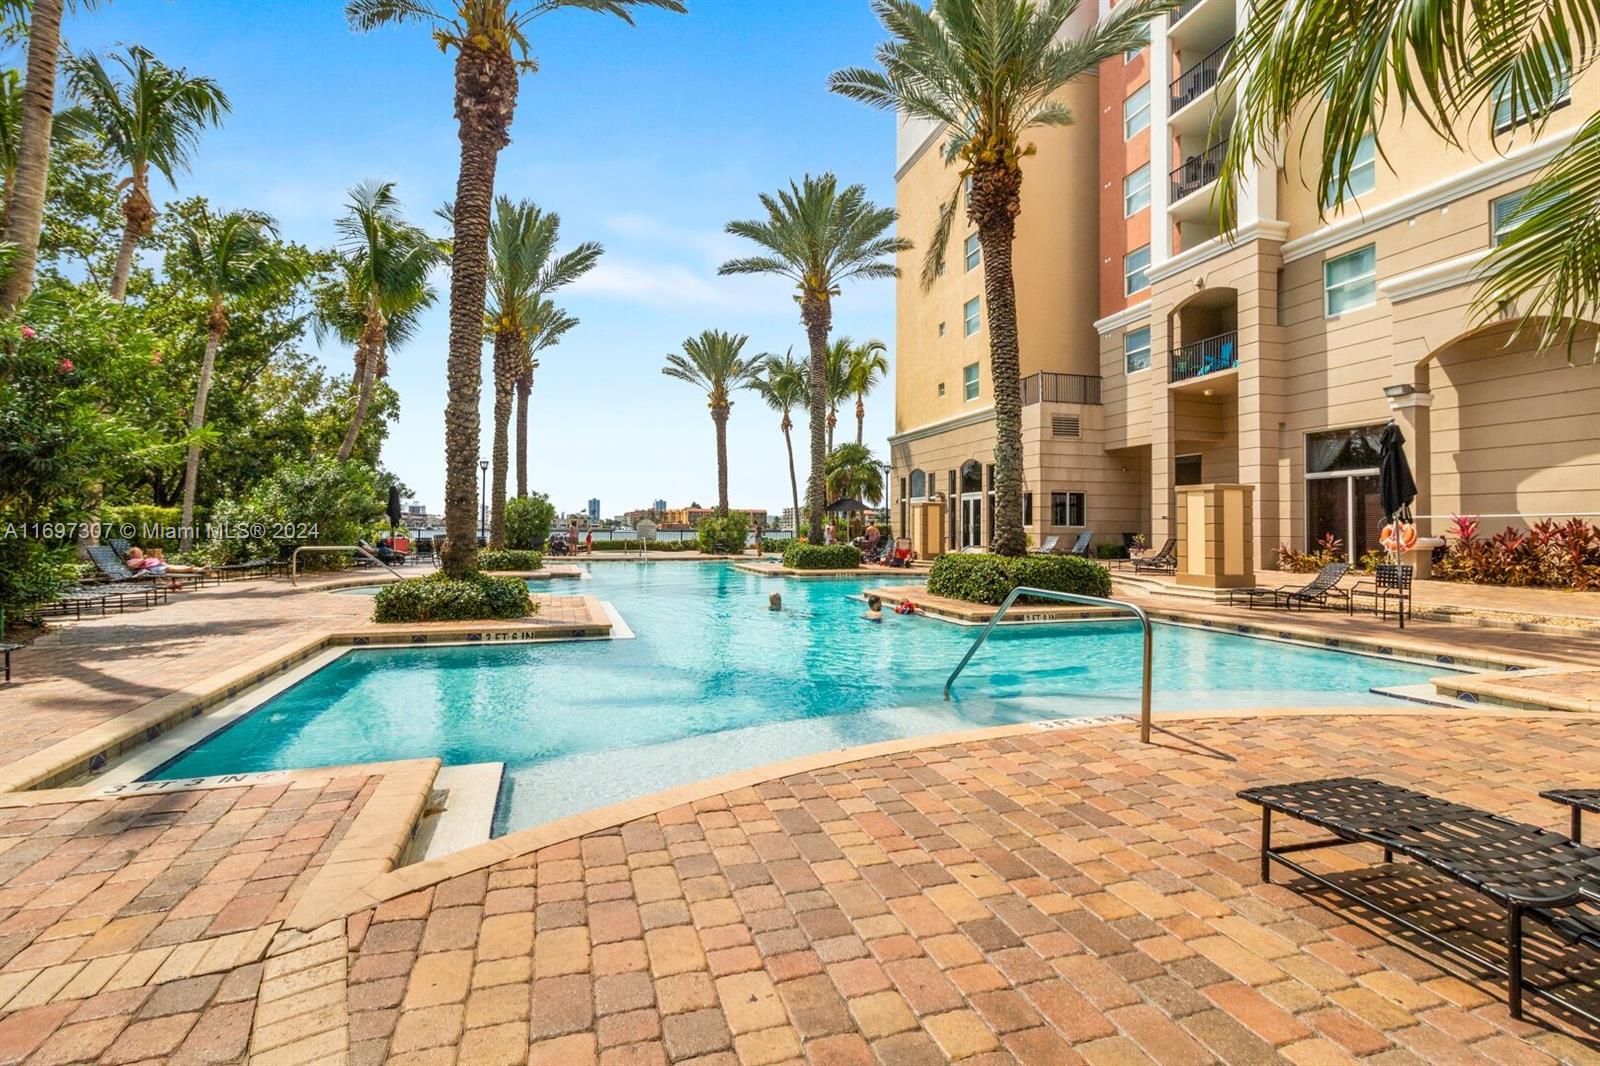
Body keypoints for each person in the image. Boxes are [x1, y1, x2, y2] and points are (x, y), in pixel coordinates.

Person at [125, 546, 207, 575]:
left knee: (171, 566)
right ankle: (189, 569)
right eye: (138, 552)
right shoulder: (131, 560)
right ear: (133, 554)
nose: (140, 553)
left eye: (140, 551)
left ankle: (198, 569)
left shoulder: (144, 558)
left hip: (158, 566)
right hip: (151, 569)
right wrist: (142, 559)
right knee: (168, 568)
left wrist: (161, 560)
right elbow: (132, 566)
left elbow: (157, 561)